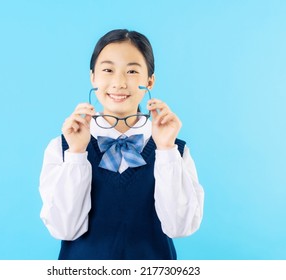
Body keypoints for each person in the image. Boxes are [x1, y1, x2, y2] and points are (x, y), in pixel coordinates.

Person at [39, 29, 204, 260]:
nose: (119, 82)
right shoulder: (62, 147)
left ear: (150, 81)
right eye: (108, 70)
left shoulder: (175, 150)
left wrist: (165, 150)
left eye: (132, 71)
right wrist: (77, 154)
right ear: (93, 77)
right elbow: (63, 229)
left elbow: (180, 227)